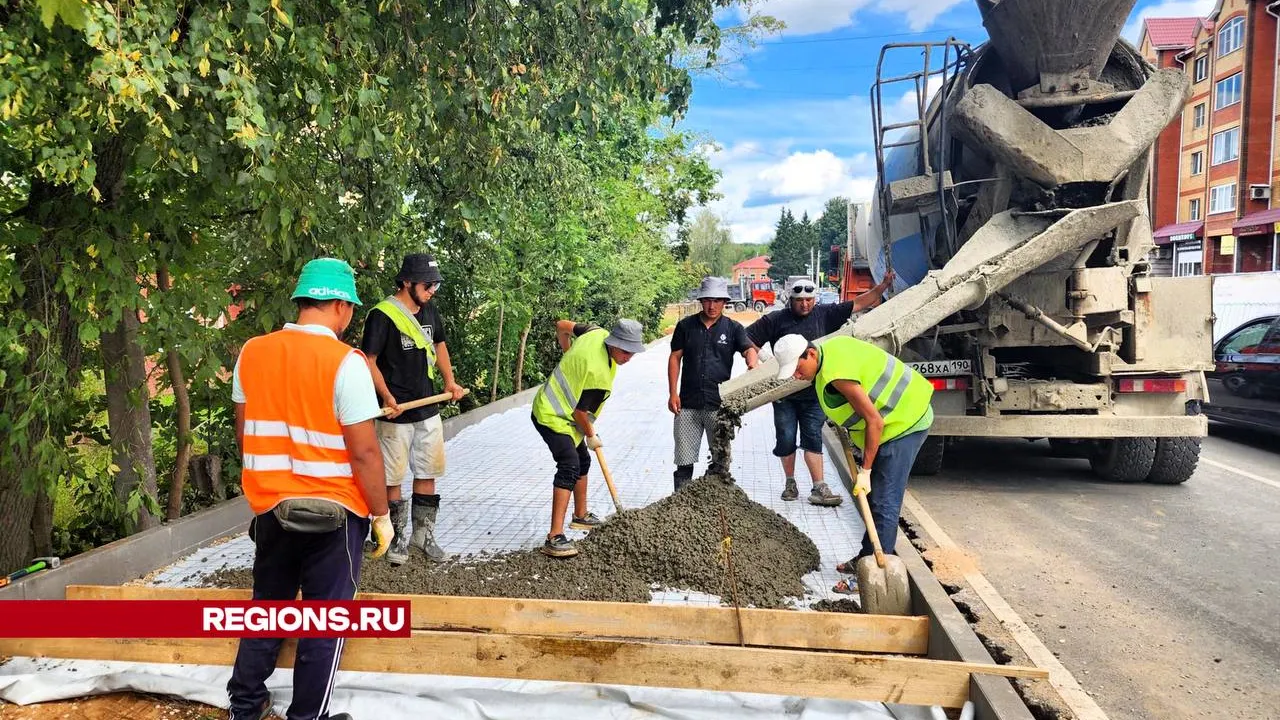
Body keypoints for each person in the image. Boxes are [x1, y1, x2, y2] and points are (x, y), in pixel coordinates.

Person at [228, 258, 393, 720]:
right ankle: (308, 716)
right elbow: (365, 454)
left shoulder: (253, 352)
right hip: (334, 516)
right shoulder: (346, 363)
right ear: (341, 306)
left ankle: (245, 705)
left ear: (303, 301)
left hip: (271, 508)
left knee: (268, 610)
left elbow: (245, 435)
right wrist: (381, 515)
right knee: (324, 623)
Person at [772, 333, 933, 594]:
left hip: (905, 422)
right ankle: (865, 558)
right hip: (893, 422)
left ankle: (875, 575)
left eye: (798, 368)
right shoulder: (829, 353)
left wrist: (866, 471)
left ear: (810, 354)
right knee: (872, 499)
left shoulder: (837, 373)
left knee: (884, 501)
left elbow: (875, 422)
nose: (796, 376)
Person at [745, 273, 894, 504]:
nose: (805, 304)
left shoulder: (825, 314)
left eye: (809, 300)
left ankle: (818, 486)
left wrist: (882, 287)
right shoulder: (775, 320)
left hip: (814, 393)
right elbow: (748, 339)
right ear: (790, 300)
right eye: (799, 301)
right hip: (784, 393)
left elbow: (860, 303)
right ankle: (790, 482)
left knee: (813, 436)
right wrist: (755, 362)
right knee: (785, 437)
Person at [360, 253, 466, 566]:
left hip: (427, 407)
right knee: (392, 477)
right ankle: (396, 537)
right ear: (407, 282)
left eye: (435, 284)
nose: (433, 289)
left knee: (427, 471)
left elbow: (440, 346)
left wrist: (450, 382)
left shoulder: (430, 309)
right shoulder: (382, 315)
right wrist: (387, 397)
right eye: (428, 284)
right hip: (396, 413)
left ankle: (423, 534)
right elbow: (369, 361)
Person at [531, 318, 646, 558]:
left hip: (565, 416)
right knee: (570, 465)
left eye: (632, 353)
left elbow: (562, 325)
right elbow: (579, 413)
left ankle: (580, 516)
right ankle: (554, 537)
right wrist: (592, 436)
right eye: (625, 352)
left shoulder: (595, 331)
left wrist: (567, 354)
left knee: (583, 461)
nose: (628, 358)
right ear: (613, 344)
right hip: (552, 415)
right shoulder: (598, 376)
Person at [668, 277, 759, 491]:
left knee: (720, 458)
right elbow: (675, 357)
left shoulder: (733, 328)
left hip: (719, 405)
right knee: (684, 459)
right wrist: (673, 393)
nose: (712, 306)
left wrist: (752, 364)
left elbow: (749, 349)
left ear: (724, 302)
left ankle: (718, 502)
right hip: (687, 403)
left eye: (717, 301)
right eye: (708, 300)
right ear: (701, 301)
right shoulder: (686, 326)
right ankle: (681, 501)